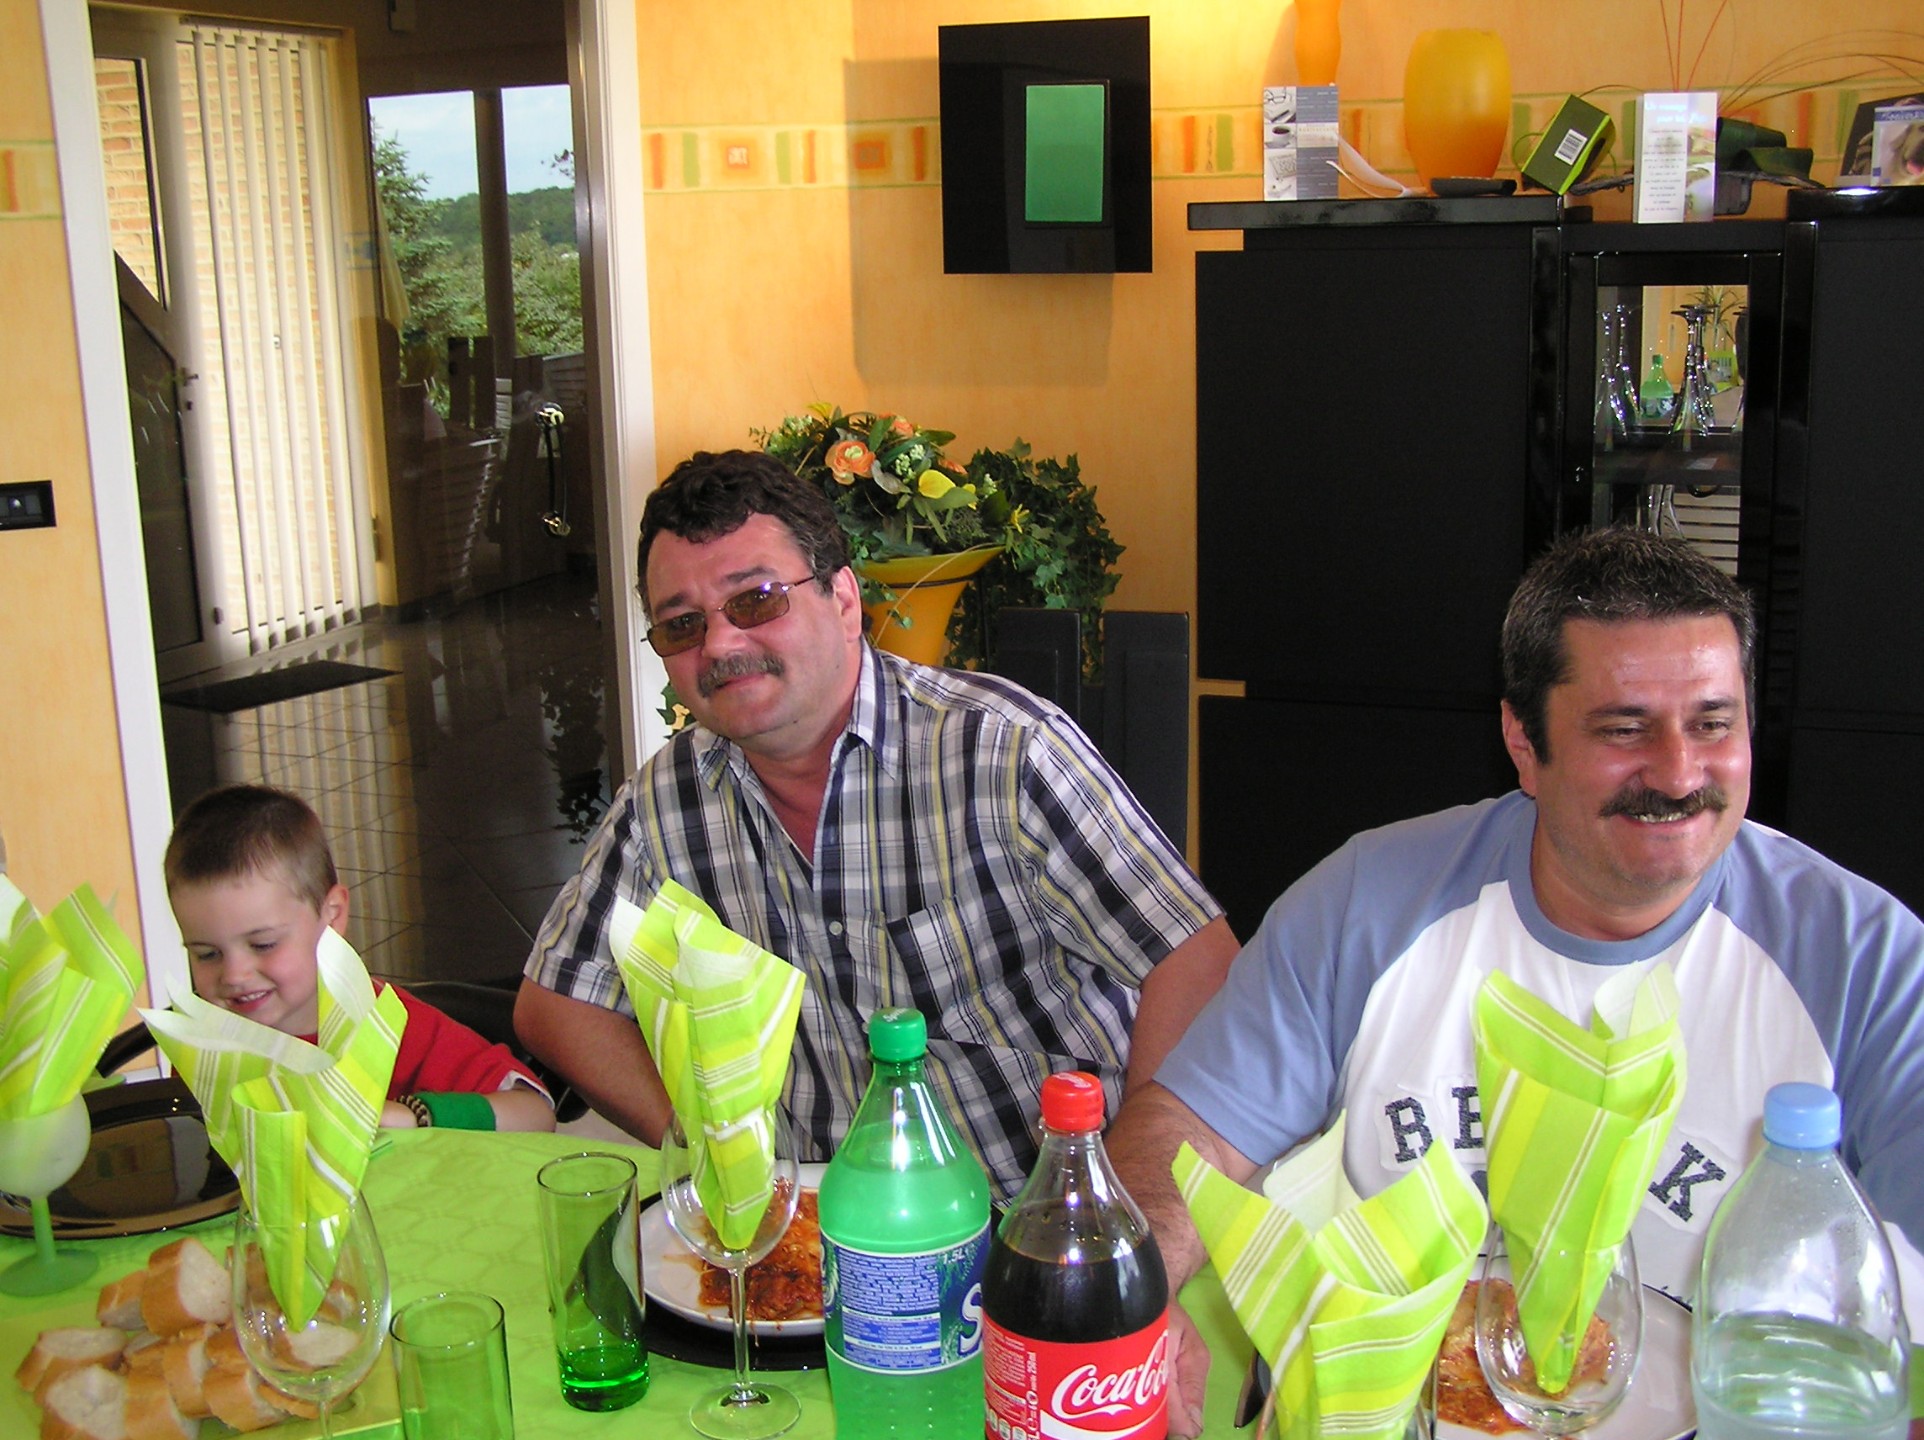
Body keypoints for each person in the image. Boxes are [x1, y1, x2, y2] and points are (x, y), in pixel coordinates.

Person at [1106, 527, 1924, 1436]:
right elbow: (1186, 1132)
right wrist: (1128, 1295)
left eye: (1712, 723)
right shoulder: (1367, 904)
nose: (1679, 772)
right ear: (1523, 744)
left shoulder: (1865, 959)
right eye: (1625, 729)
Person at [515, 448, 1237, 1196]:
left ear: (844, 601)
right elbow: (556, 1003)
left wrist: (1126, 1200)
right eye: (682, 624)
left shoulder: (1002, 750)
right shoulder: (665, 805)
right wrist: (712, 1155)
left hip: (1034, 1215)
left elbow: (1195, 964)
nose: (720, 645)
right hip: (819, 1235)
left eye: (756, 600)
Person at [164, 784, 555, 1133]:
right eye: (207, 953)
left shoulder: (391, 1027)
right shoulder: (202, 1040)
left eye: (263, 944)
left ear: (332, 916)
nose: (234, 975)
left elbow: (534, 1113)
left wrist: (415, 1115)